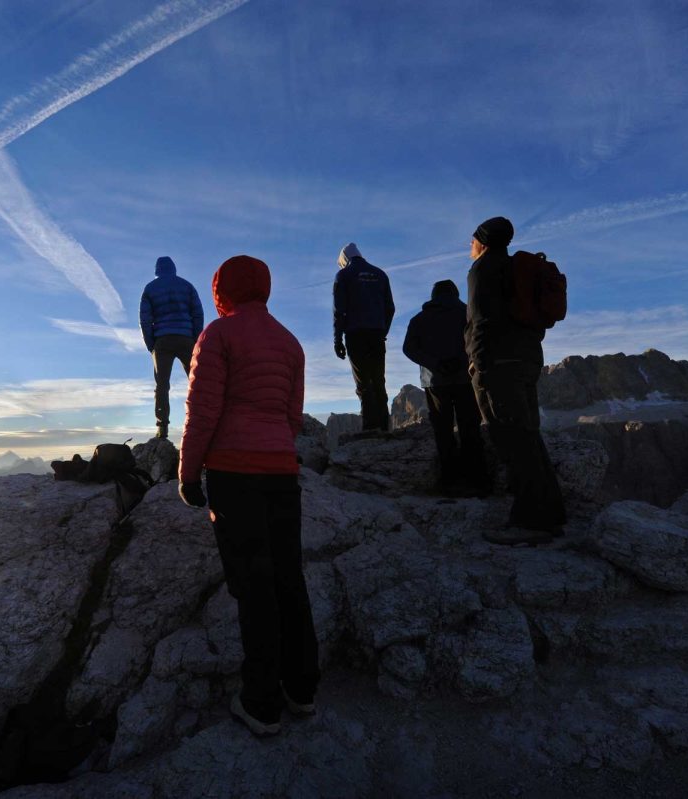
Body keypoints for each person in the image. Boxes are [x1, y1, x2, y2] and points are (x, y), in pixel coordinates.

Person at [178, 254, 319, 738]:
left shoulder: (217, 335)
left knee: (253, 585)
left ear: (222, 289)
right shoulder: (290, 342)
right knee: (288, 579)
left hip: (233, 473)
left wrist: (188, 474)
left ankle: (260, 703)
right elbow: (293, 416)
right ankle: (303, 690)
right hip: (281, 472)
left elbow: (202, 410)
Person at [465, 217, 566, 544]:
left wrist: (477, 364)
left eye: (471, 240)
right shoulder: (517, 269)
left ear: (482, 241)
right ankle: (551, 512)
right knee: (528, 434)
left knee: (510, 437)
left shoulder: (482, 270)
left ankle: (531, 522)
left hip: (498, 364)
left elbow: (479, 321)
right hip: (527, 361)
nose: (469, 247)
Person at [402, 279, 489, 496]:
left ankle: (450, 480)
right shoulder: (468, 313)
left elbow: (409, 348)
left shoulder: (419, 319)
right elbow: (480, 340)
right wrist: (464, 361)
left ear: (433, 296)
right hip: (465, 379)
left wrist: (434, 363)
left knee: (443, 430)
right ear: (455, 294)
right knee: (470, 427)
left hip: (435, 382)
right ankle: (476, 480)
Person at [139, 256, 204, 439]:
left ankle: (162, 427)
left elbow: (145, 319)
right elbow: (197, 313)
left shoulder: (150, 289)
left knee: (162, 385)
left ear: (157, 270)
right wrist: (197, 340)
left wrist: (151, 344)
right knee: (197, 381)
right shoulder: (187, 286)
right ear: (173, 268)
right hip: (186, 339)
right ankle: (201, 420)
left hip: (162, 341)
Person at [333, 243, 395, 432]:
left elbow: (339, 311)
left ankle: (370, 426)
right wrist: (382, 331)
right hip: (376, 334)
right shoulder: (380, 274)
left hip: (355, 334)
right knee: (378, 379)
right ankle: (384, 425)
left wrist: (338, 339)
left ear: (344, 258)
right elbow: (390, 308)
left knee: (363, 381)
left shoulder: (343, 275)